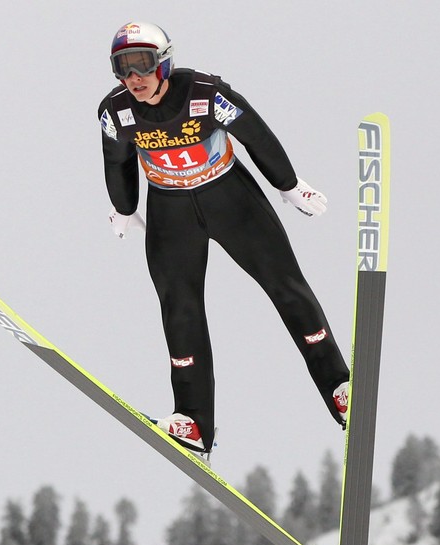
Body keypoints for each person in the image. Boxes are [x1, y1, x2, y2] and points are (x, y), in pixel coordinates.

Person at [98, 21, 350, 456]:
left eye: (142, 64)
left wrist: (288, 185)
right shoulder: (116, 111)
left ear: (164, 62)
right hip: (171, 211)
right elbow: (115, 159)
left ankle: (340, 388)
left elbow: (256, 135)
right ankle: (194, 422)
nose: (133, 78)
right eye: (123, 68)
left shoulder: (203, 93)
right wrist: (124, 208)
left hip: (230, 199)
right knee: (180, 310)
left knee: (286, 287)